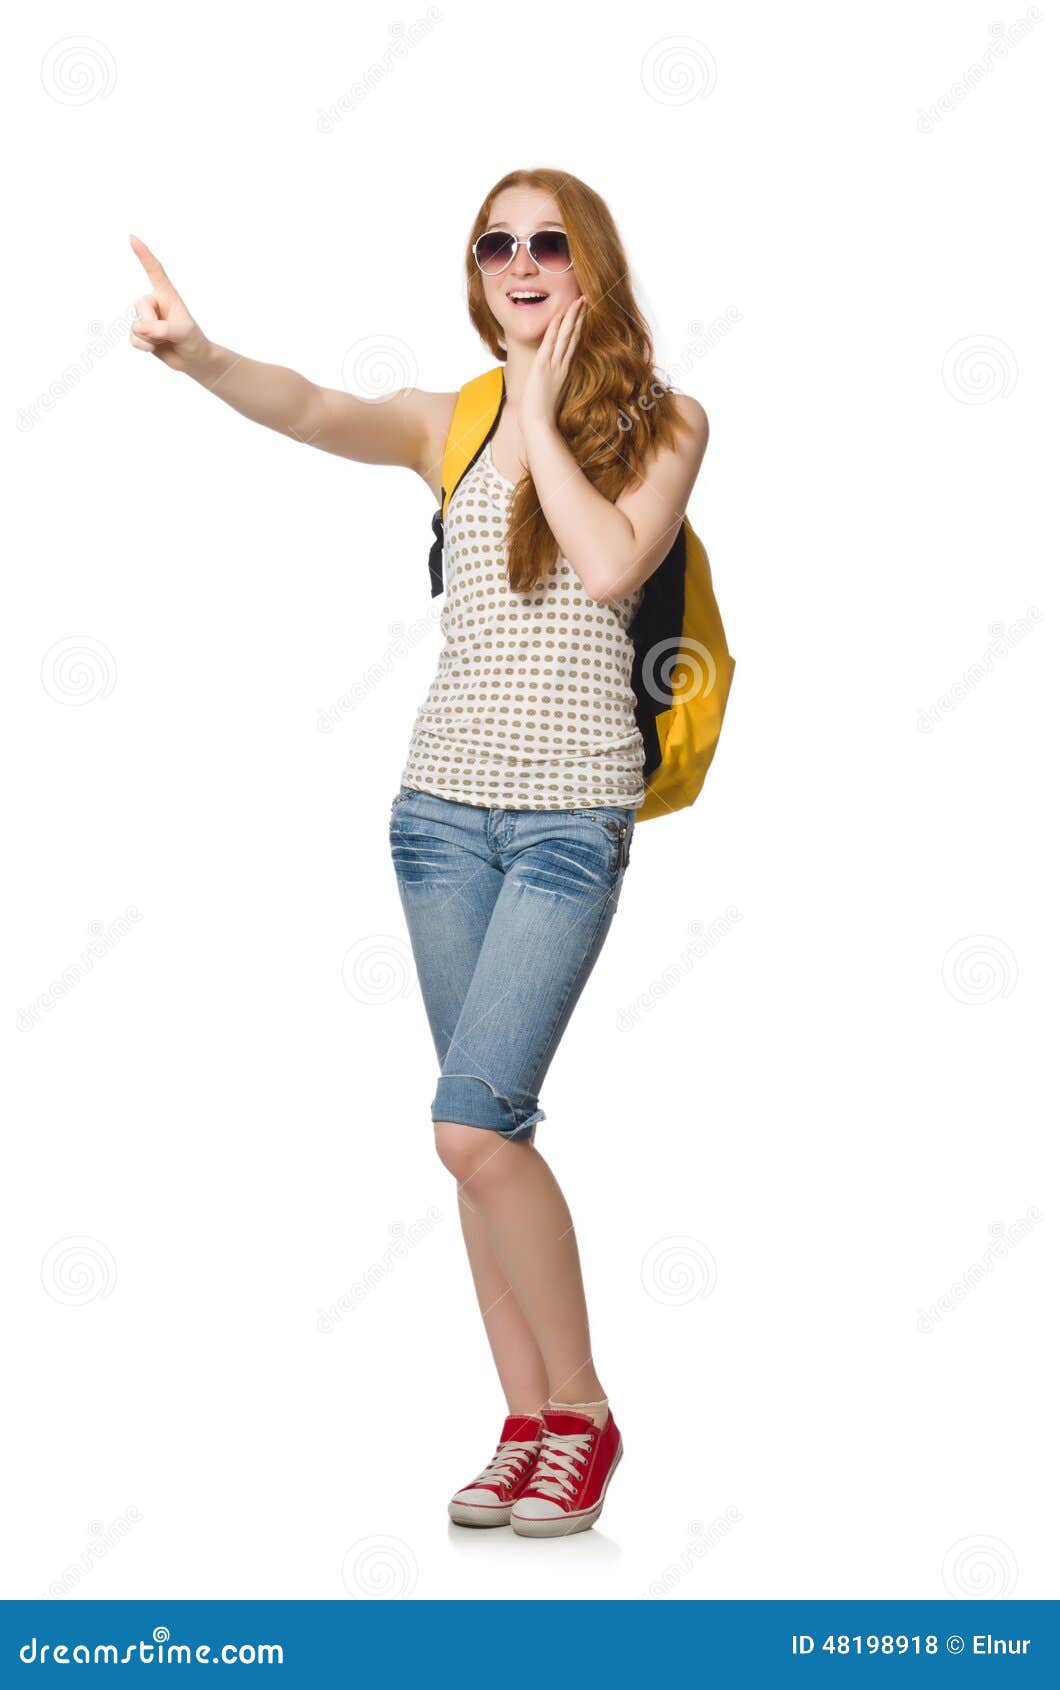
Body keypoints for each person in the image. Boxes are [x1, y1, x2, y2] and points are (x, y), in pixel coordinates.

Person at [128, 167, 709, 1538]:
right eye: (495, 242)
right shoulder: (450, 419)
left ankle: (586, 1411)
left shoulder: (663, 422)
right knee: (478, 1136)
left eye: (546, 242)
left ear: (590, 268)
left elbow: (613, 564)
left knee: (469, 1122)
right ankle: (524, 1424)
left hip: (571, 818)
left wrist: (533, 405)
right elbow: (318, 407)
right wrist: (200, 353)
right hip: (438, 816)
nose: (519, 259)